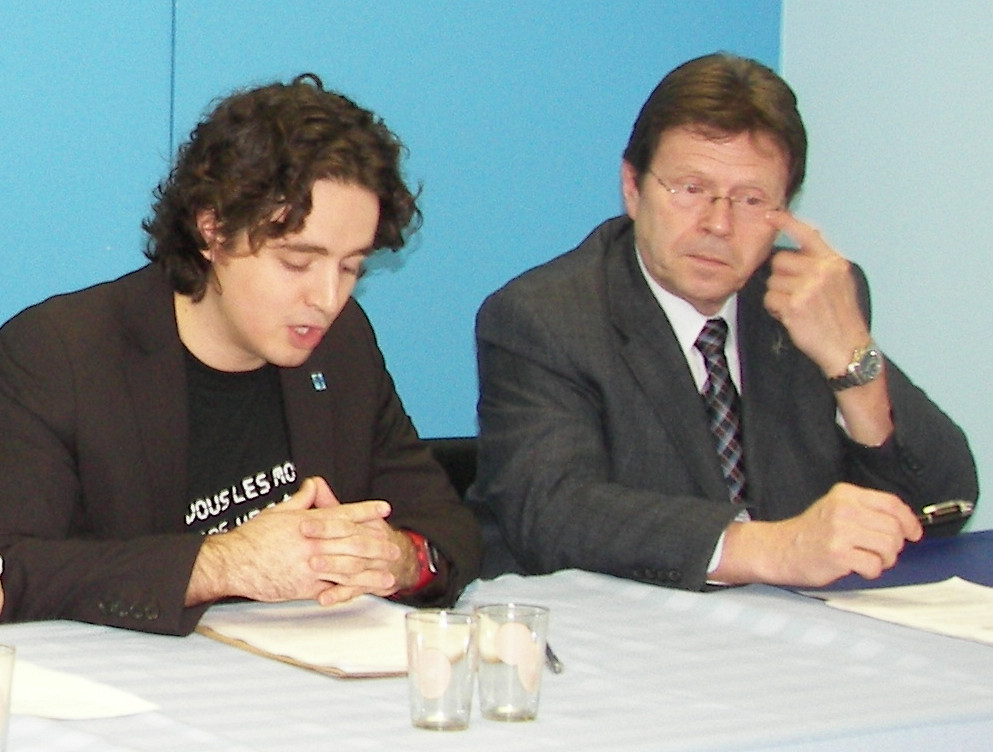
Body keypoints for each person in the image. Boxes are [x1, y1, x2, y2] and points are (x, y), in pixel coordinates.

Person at [469, 52, 977, 590]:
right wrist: (773, 548)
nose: (718, 223)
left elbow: (946, 502)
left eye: (751, 199)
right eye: (690, 189)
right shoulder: (545, 315)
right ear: (633, 188)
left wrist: (852, 362)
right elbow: (554, 512)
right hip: (604, 636)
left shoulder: (804, 299)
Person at [0, 74, 481, 635]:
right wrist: (223, 564)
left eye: (351, 266)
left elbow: (449, 525)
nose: (327, 299)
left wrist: (398, 558)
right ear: (214, 230)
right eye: (298, 262)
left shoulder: (343, 345)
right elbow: (16, 570)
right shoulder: (60, 354)